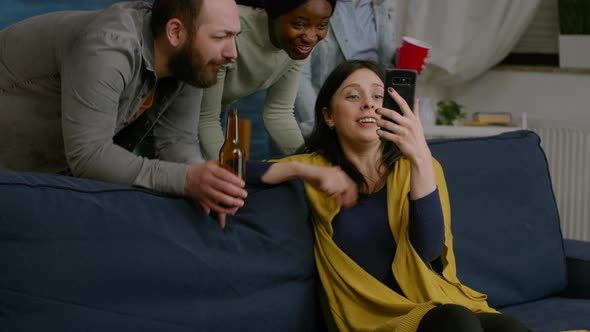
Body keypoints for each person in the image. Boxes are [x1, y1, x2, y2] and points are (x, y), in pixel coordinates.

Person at [251, 60, 531, 331]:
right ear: (329, 116)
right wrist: (299, 169)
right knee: (455, 321)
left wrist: (420, 156)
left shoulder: (420, 166)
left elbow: (429, 250)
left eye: (378, 95)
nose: (369, 103)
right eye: (352, 96)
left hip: (434, 304)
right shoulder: (313, 170)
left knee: (508, 327)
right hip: (373, 320)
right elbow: (233, 172)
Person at [0, 0, 246, 227]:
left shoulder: (188, 61)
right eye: (221, 36)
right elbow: (89, 155)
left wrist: (208, 187)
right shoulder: (109, 48)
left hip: (47, 174)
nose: (232, 53)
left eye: (235, 36)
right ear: (175, 32)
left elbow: (177, 142)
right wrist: (187, 179)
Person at [197, 0, 336, 160]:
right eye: (299, 24)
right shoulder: (232, 31)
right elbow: (205, 118)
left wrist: (313, 163)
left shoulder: (298, 46)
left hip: (210, 113)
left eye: (321, 25)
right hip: (180, 110)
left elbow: (279, 113)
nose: (310, 38)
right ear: (274, 14)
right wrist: (232, 177)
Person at [294, 0, 398, 138]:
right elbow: (300, 74)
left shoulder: (381, 4)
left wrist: (400, 59)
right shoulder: (316, 4)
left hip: (372, 119)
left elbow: (385, 65)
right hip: (323, 117)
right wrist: (317, 126)